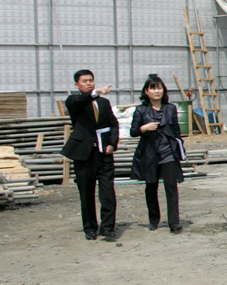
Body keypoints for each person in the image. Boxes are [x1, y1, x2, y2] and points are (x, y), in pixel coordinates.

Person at [62, 69, 119, 241]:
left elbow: (113, 123)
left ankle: (108, 227)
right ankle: (90, 227)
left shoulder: (104, 103)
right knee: (86, 192)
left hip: (103, 153)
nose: (88, 83)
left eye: (91, 80)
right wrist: (95, 93)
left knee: (107, 191)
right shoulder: (74, 101)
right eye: (85, 81)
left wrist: (112, 144)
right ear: (77, 84)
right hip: (83, 153)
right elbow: (80, 100)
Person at [129, 74, 186, 234]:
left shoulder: (170, 108)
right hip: (149, 154)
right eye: (153, 88)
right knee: (151, 186)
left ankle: (174, 223)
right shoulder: (141, 110)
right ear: (146, 91)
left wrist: (179, 148)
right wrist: (144, 128)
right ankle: (154, 219)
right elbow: (133, 132)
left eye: (159, 88)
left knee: (171, 187)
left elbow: (176, 131)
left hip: (168, 154)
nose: (156, 91)